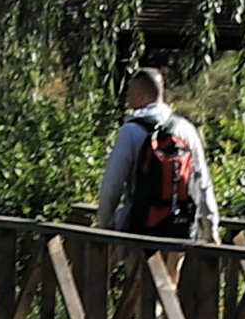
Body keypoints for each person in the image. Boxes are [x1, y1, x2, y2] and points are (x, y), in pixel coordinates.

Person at [93, 66, 221, 242]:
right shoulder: (186, 129)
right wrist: (211, 228)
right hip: (181, 228)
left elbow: (113, 183)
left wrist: (104, 223)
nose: (128, 100)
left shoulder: (130, 131)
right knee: (172, 270)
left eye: (130, 94)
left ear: (140, 96)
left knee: (139, 269)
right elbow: (203, 181)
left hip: (141, 228)